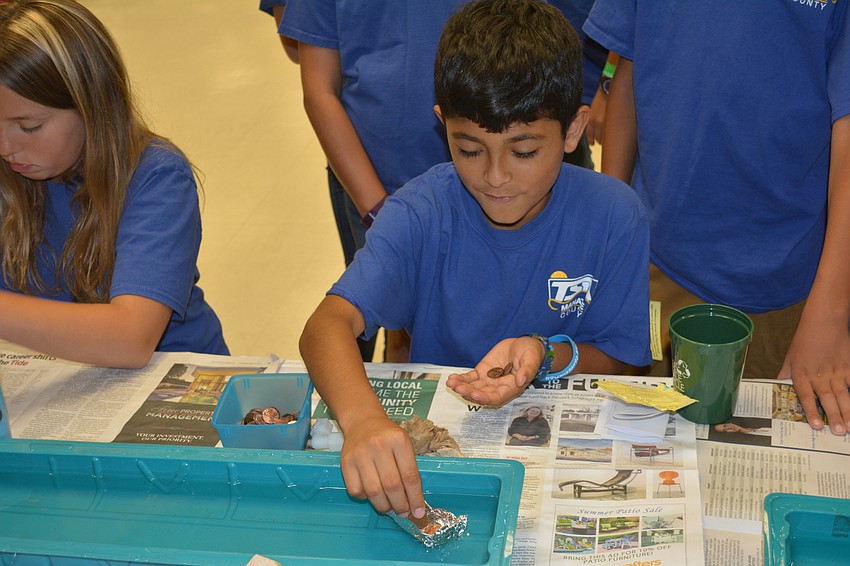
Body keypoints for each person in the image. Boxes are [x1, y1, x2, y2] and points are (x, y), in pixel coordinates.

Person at [300, 0, 650, 521]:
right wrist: (364, 420)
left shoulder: (614, 214)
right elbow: (325, 326)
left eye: (524, 151)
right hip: (448, 459)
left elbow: (622, 356)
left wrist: (542, 354)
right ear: (443, 125)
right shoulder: (420, 212)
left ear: (574, 132)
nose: (494, 176)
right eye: (468, 149)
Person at [584, 2, 850, 435]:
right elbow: (632, 61)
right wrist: (611, 233)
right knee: (645, 445)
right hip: (654, 259)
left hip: (785, 287)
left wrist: (830, 315)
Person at [0, 0, 228, 368]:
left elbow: (131, 339)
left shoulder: (156, 176)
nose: (6, 148)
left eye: (29, 127)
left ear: (92, 105)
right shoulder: (10, 173)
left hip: (170, 377)